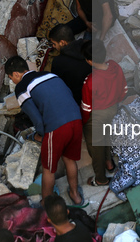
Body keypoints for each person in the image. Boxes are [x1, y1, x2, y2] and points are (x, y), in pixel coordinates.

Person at [5, 56, 84, 206]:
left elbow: (38, 121)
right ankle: (75, 195)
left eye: (11, 78)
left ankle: (46, 202)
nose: (13, 81)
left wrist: (40, 135)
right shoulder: (50, 75)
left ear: (16, 74)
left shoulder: (22, 88)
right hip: (76, 118)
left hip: (57, 127)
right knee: (70, 159)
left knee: (48, 168)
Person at [80, 40, 127, 186]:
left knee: (96, 147)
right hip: (113, 108)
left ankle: (101, 179)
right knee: (106, 135)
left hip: (97, 116)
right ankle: (110, 164)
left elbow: (86, 107)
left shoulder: (90, 81)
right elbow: (124, 90)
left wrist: (85, 123)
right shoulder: (115, 66)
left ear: (89, 61)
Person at [49, 24, 92, 105]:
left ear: (62, 42)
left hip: (79, 101)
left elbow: (58, 86)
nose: (53, 46)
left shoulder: (58, 62)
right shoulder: (89, 46)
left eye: (54, 43)